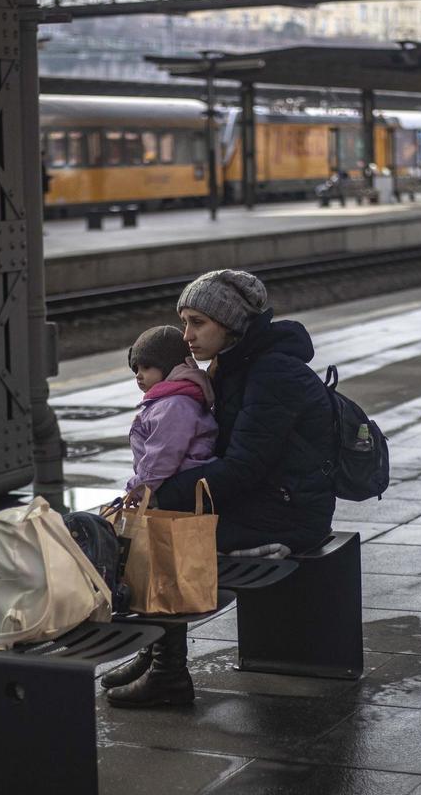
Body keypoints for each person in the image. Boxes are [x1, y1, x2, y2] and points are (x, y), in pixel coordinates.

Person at [106, 270, 338, 709]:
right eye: (184, 322)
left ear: (228, 323)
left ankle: (168, 674)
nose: (186, 336)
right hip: (266, 497)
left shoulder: (272, 374)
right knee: (153, 522)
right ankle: (156, 650)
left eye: (198, 323)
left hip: (289, 513)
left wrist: (165, 493)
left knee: (163, 537)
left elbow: (245, 467)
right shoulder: (235, 364)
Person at [125, 325, 217, 498]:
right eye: (136, 369)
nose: (138, 375)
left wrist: (137, 488)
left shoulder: (175, 405)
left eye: (146, 367)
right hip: (172, 486)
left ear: (168, 367)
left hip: (181, 490)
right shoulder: (167, 402)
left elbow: (163, 455)